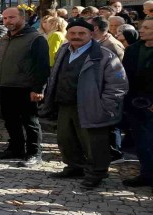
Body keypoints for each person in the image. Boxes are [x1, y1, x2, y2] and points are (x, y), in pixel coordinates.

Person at [43, 20, 128, 188]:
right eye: (73, 33)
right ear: (67, 34)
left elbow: (118, 84)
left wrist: (105, 106)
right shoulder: (63, 50)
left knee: (94, 143)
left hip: (92, 105)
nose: (76, 37)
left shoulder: (104, 55)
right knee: (66, 139)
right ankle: (75, 167)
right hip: (65, 103)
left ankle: (97, 173)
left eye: (81, 33)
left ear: (91, 34)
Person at [0, 7, 50, 167]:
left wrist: (38, 89)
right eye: (4, 18)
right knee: (10, 121)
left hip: (25, 88)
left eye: (11, 17)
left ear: (22, 18)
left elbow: (42, 67)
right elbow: (1, 63)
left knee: (30, 122)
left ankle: (34, 153)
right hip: (5, 86)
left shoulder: (36, 39)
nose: (7, 21)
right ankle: (16, 148)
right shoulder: (4, 39)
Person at [120, 18, 153, 188]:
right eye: (142, 27)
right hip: (136, 103)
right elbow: (125, 75)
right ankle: (146, 174)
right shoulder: (133, 50)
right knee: (142, 142)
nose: (142, 30)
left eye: (147, 28)